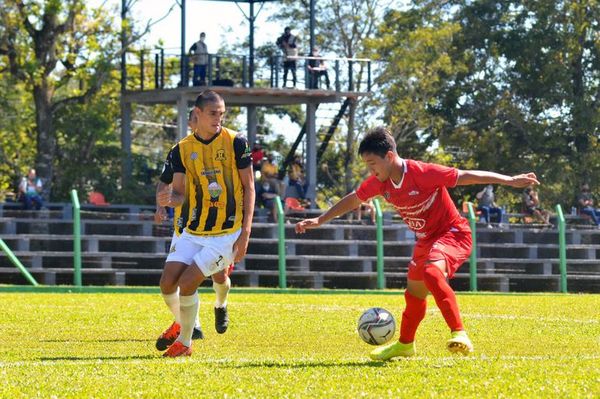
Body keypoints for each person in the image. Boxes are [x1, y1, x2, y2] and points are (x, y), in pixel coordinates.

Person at [295, 127, 539, 361]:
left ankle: (459, 333)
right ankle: (405, 345)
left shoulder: (422, 173)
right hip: (425, 241)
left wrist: (509, 180)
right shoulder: (380, 183)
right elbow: (353, 199)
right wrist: (320, 218)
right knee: (414, 294)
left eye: (372, 165)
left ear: (389, 156)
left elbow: (466, 175)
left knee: (432, 273)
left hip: (453, 233)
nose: (371, 172)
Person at [156, 90, 255, 357]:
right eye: (213, 114)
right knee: (167, 284)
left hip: (226, 233)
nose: (218, 119)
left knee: (190, 283)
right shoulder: (181, 150)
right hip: (194, 229)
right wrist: (167, 200)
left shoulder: (236, 142)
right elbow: (178, 194)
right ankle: (183, 324)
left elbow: (249, 187)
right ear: (196, 115)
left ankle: (186, 342)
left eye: (222, 114)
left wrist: (245, 233)